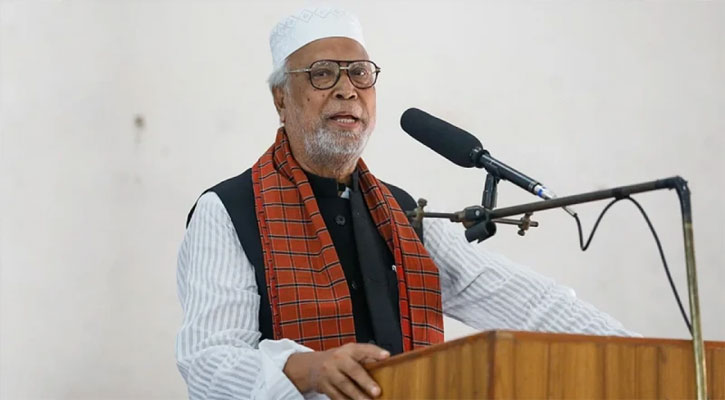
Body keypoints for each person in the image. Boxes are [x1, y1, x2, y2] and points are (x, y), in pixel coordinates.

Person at [175, 7, 632, 400]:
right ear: (281, 99)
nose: (347, 89)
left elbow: (529, 304)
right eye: (322, 73)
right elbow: (208, 363)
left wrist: (636, 352)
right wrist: (305, 369)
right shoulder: (228, 210)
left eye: (360, 73)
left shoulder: (402, 214)